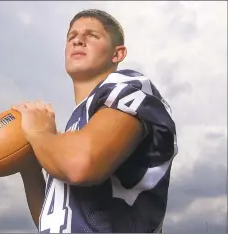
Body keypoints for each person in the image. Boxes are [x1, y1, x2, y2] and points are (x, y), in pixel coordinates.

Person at [12, 9, 178, 233]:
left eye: (91, 35)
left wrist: (39, 134)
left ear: (117, 54)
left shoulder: (130, 84)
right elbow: (54, 219)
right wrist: (30, 166)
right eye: (71, 37)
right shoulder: (72, 132)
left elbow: (80, 165)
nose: (78, 40)